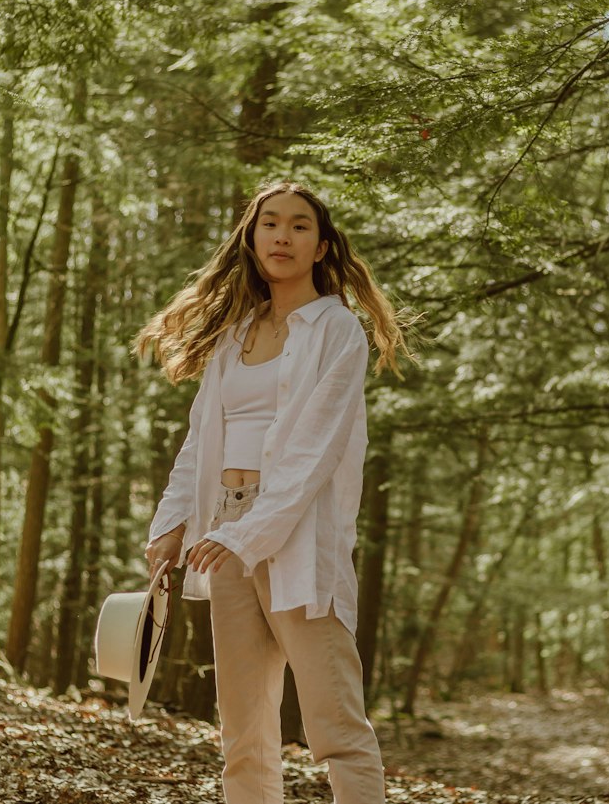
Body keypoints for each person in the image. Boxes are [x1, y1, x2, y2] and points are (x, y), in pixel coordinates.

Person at [137, 179, 412, 804]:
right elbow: (199, 440)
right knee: (242, 729)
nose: (282, 235)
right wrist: (171, 526)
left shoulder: (336, 330)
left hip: (293, 535)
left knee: (335, 721)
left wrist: (245, 535)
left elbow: (314, 452)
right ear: (252, 237)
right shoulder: (234, 334)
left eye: (299, 226)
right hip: (223, 531)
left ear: (320, 247)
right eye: (270, 224)